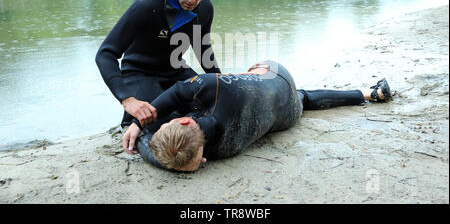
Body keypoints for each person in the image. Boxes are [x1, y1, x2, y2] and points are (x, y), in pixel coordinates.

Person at [122, 60, 392, 172]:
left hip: (287, 114)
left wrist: (138, 128)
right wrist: (139, 124)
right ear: (183, 120)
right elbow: (177, 93)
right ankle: (368, 93)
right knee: (279, 89)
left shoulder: (225, 149)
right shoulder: (208, 85)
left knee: (302, 98)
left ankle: (368, 94)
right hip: (274, 73)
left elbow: (162, 158)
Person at [95, 0, 221, 129]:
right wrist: (127, 99)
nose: (191, 0)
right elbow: (105, 54)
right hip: (140, 72)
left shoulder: (205, 8)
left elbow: (202, 48)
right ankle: (129, 120)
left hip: (176, 70)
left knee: (213, 108)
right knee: (163, 122)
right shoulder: (147, 5)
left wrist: (220, 81)